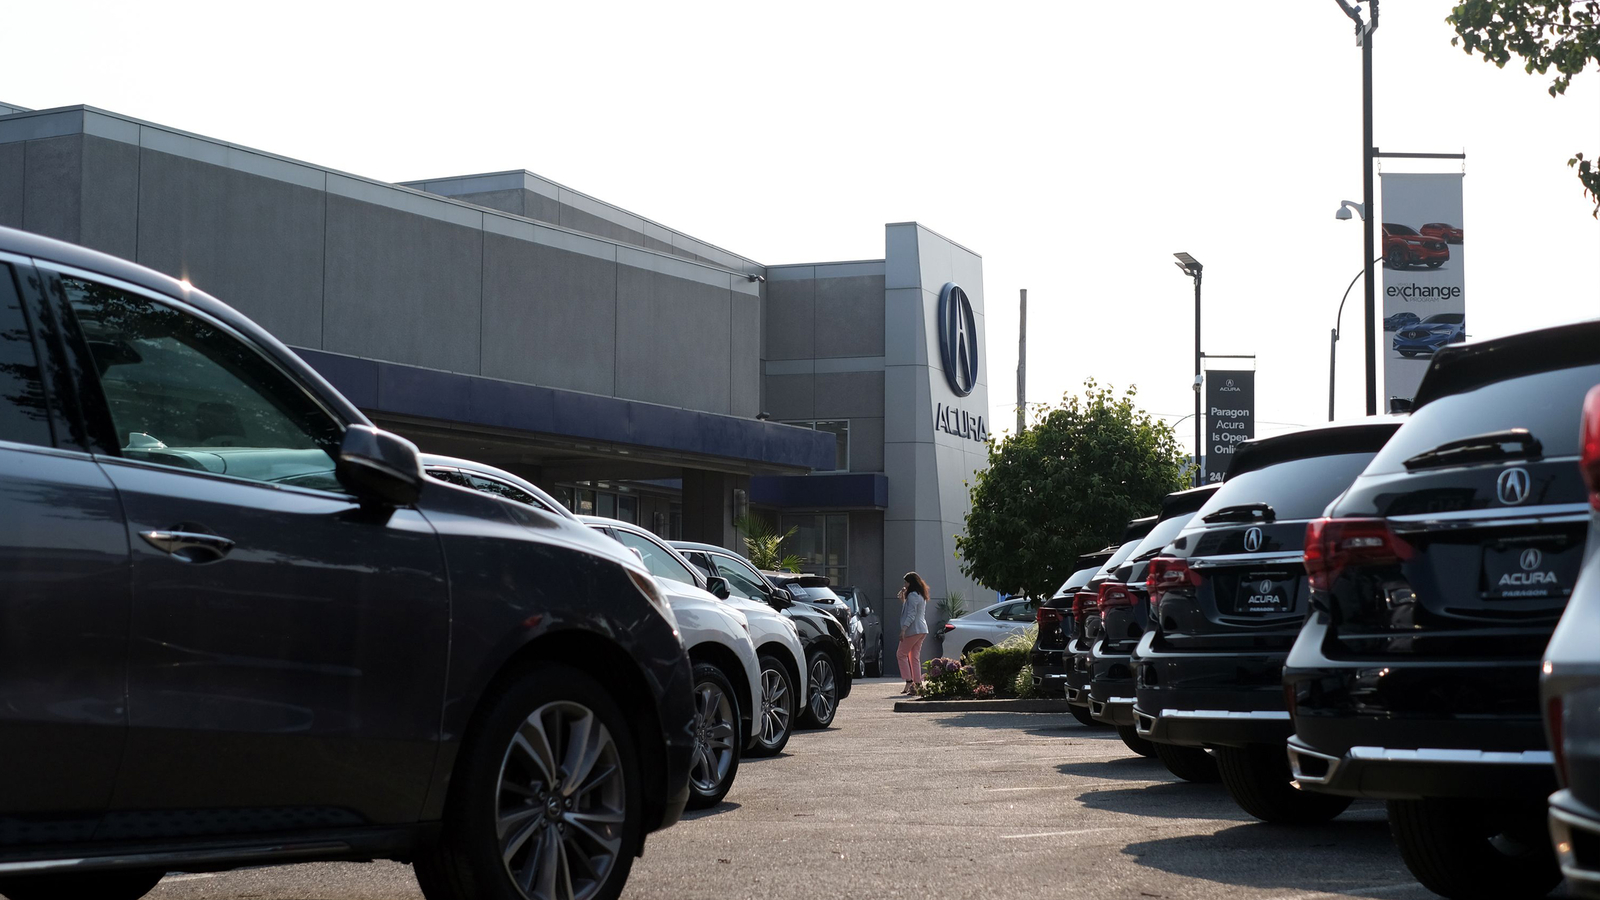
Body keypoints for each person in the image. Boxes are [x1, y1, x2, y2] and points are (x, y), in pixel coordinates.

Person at [897, 572, 931, 694]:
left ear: (911, 583)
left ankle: (909, 681)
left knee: (901, 654)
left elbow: (911, 614)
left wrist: (903, 630)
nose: (904, 584)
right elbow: (911, 610)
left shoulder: (912, 596)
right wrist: (903, 599)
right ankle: (917, 684)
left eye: (906, 582)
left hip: (913, 630)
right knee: (914, 657)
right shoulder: (920, 595)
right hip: (922, 629)